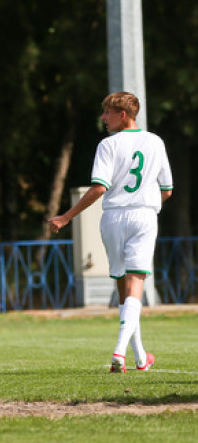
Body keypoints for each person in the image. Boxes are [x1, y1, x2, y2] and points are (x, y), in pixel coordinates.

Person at [47, 91, 172, 373]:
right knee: (134, 285)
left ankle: (138, 357)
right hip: (143, 215)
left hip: (113, 217)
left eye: (107, 112)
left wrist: (66, 217)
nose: (103, 117)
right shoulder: (155, 142)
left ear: (122, 115)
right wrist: (146, 202)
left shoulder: (108, 145)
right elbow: (167, 190)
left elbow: (99, 188)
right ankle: (121, 351)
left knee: (122, 284)